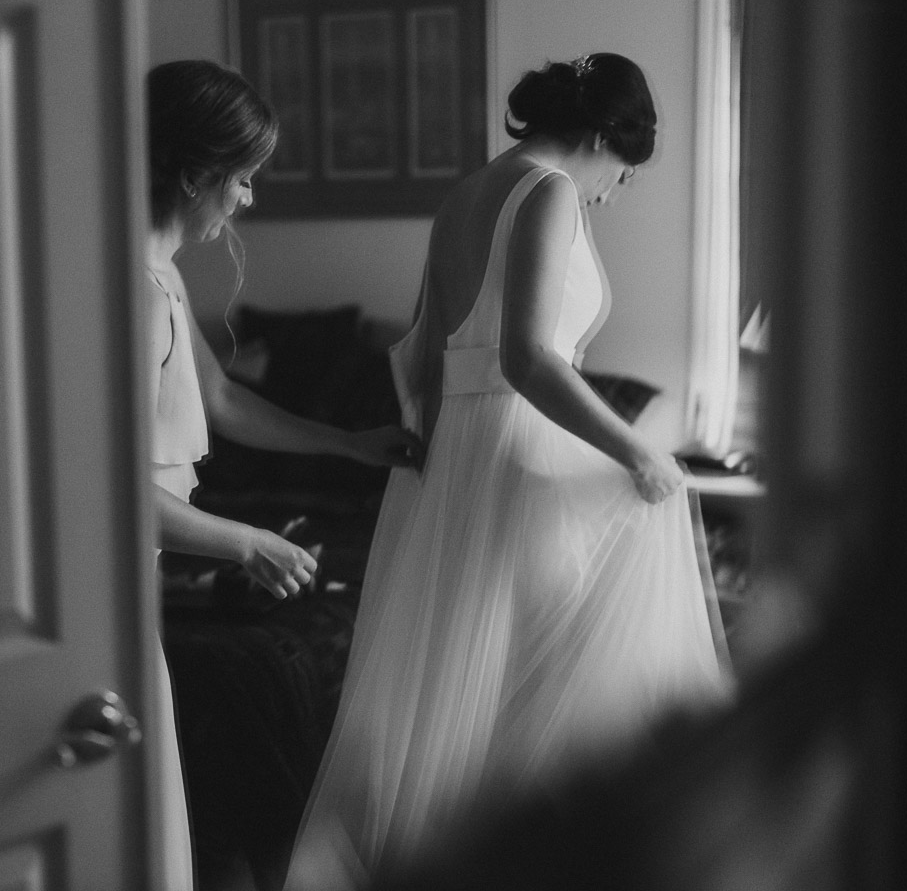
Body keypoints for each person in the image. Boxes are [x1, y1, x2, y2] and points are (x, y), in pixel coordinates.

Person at [283, 53, 734, 890]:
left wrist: (437, 461)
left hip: (463, 452)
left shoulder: (464, 194)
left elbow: (420, 352)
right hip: (516, 444)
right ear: (603, 137)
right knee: (555, 669)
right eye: (623, 174)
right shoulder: (551, 189)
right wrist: (638, 449)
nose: (612, 193)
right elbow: (528, 358)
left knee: (482, 684)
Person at [143, 59, 424, 891]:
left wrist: (348, 445)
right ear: (196, 173)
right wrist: (247, 544)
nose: (248, 201)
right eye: (244, 180)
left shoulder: (161, 274)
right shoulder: (115, 285)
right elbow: (107, 489)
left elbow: (222, 398)